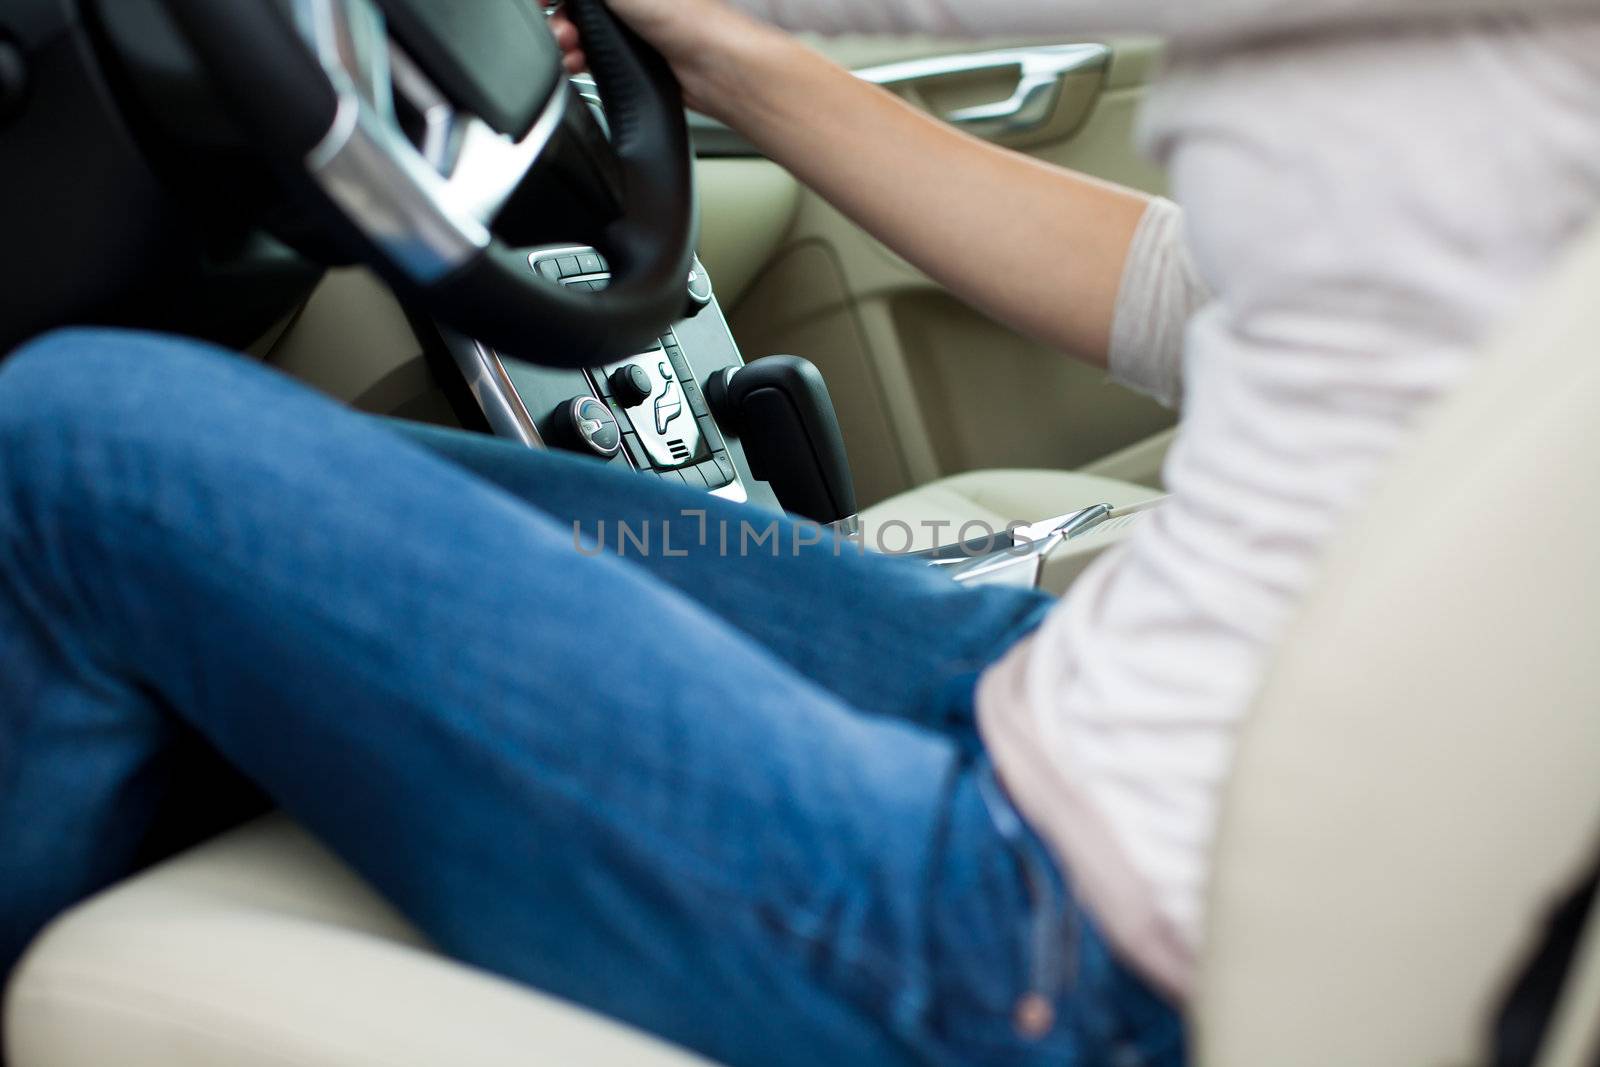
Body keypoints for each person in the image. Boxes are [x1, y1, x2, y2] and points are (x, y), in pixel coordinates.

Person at [1, 3, 1597, 1066]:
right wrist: (746, 67)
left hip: (1065, 945)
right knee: (410, 485)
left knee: (74, 450)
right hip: (1150, 725)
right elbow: (1210, 295)